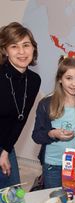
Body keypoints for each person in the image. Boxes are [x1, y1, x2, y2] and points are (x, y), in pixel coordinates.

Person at [32, 56, 75, 188]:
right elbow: (36, 135)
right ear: (60, 79)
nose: (74, 84)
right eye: (68, 78)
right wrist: (53, 134)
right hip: (52, 165)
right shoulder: (46, 104)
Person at [0, 22, 41, 189]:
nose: (22, 52)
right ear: (5, 50)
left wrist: (5, 152)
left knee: (12, 199)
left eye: (26, 45)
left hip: (6, 145)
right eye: (14, 46)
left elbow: (19, 120)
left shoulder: (33, 81)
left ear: (33, 48)